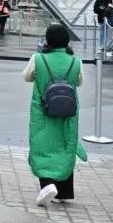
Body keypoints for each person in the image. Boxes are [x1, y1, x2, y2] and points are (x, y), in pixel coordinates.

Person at [24, 24, 87, 205]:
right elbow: (79, 82)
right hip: (68, 112)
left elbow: (27, 77)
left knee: (43, 145)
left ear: (48, 40)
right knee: (66, 145)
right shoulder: (76, 61)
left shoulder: (38, 59)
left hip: (42, 112)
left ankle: (47, 185)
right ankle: (65, 191)